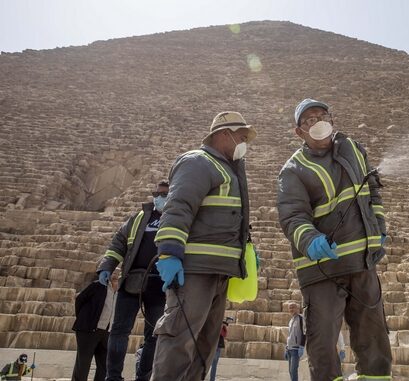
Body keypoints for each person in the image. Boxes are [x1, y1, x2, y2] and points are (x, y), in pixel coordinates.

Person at [277, 98, 391, 380]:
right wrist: (310, 240)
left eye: (322, 115)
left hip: (362, 262)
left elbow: (372, 191)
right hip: (322, 268)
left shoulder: (353, 149)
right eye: (309, 120)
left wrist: (379, 228)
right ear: (298, 132)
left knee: (374, 336)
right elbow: (292, 216)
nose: (317, 122)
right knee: (323, 342)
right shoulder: (293, 170)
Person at [151, 111, 257, 381]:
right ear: (224, 134)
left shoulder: (227, 169)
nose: (245, 142)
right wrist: (169, 252)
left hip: (219, 272)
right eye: (241, 137)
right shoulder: (198, 163)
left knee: (204, 348)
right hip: (195, 271)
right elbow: (178, 208)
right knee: (178, 340)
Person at [97, 181, 169, 381]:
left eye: (165, 194)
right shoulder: (138, 218)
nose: (160, 197)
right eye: (157, 193)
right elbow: (118, 242)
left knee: (154, 335)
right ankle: (113, 377)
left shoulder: (177, 218)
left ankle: (143, 377)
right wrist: (106, 266)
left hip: (160, 284)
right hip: (132, 280)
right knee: (119, 331)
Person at [71, 272, 117, 381]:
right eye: (114, 276)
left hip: (106, 332)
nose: (117, 277)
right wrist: (84, 318)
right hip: (89, 330)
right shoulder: (98, 286)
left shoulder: (120, 294)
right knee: (83, 364)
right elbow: (80, 299)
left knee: (104, 366)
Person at [285, 302, 306, 381]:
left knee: (293, 370)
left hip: (296, 349)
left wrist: (302, 346)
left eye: (293, 307)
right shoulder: (291, 320)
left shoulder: (301, 318)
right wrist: (286, 347)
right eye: (290, 308)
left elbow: (304, 333)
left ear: (297, 308)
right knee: (290, 371)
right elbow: (290, 335)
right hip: (289, 349)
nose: (291, 309)